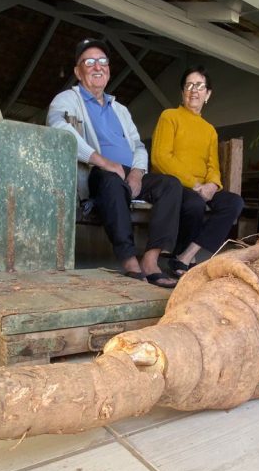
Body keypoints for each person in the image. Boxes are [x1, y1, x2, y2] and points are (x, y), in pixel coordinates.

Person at [47, 39, 182, 288]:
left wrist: (138, 174)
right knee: (111, 181)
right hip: (96, 171)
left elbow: (139, 146)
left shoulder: (119, 108)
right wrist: (103, 162)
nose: (97, 66)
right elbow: (59, 129)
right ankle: (130, 261)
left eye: (103, 61)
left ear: (108, 69)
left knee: (171, 185)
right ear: (78, 71)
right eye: (89, 61)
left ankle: (151, 260)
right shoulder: (67, 99)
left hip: (128, 171)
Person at [150, 65, 244, 276]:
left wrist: (212, 185)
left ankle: (186, 255)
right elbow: (160, 157)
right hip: (175, 185)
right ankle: (181, 257)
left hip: (202, 187)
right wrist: (194, 184)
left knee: (234, 203)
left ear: (208, 94)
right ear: (183, 92)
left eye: (200, 86)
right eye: (189, 85)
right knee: (194, 203)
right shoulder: (170, 116)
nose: (194, 90)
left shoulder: (209, 130)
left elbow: (213, 165)